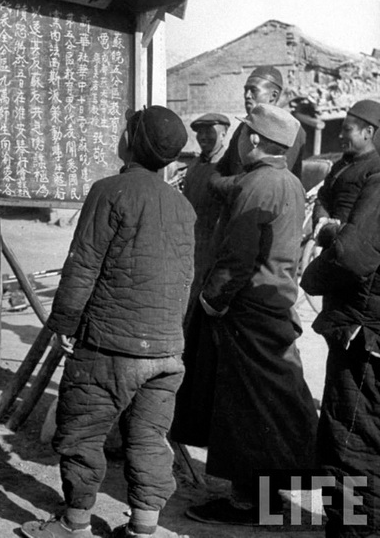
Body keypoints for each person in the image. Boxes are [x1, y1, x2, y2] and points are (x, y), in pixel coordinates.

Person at [20, 106, 196, 538]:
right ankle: (144, 528)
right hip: (166, 353)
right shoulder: (182, 206)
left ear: (132, 143)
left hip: (109, 349)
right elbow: (184, 276)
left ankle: (74, 523)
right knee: (150, 440)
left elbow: (82, 268)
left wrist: (62, 324)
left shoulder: (109, 191)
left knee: (82, 434)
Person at [171, 103, 318, 526]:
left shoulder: (259, 186)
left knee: (246, 410)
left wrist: (211, 301)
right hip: (273, 305)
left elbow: (237, 257)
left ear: (253, 139)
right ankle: (271, 502)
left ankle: (247, 505)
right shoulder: (286, 181)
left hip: (248, 310)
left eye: (240, 134)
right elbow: (230, 187)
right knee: (274, 405)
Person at [301, 171, 380, 538]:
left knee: (352, 448)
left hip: (366, 340)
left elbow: (351, 255)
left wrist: (312, 276)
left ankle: (354, 532)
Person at [209, 65, 306, 201]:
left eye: (253, 90)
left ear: (273, 96)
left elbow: (268, 183)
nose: (247, 96)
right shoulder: (244, 126)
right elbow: (220, 170)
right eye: (246, 90)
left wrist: (224, 183)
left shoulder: (290, 130)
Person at [311, 99, 380, 249]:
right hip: (331, 248)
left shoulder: (376, 170)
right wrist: (322, 219)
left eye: (347, 130)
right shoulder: (340, 166)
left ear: (368, 132)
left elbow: (363, 225)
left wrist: (330, 229)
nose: (340, 135)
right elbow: (323, 198)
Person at [181, 112, 229, 325]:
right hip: (192, 242)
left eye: (210, 131)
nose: (203, 137)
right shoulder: (194, 166)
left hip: (215, 245)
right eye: (200, 132)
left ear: (225, 133)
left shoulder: (228, 167)